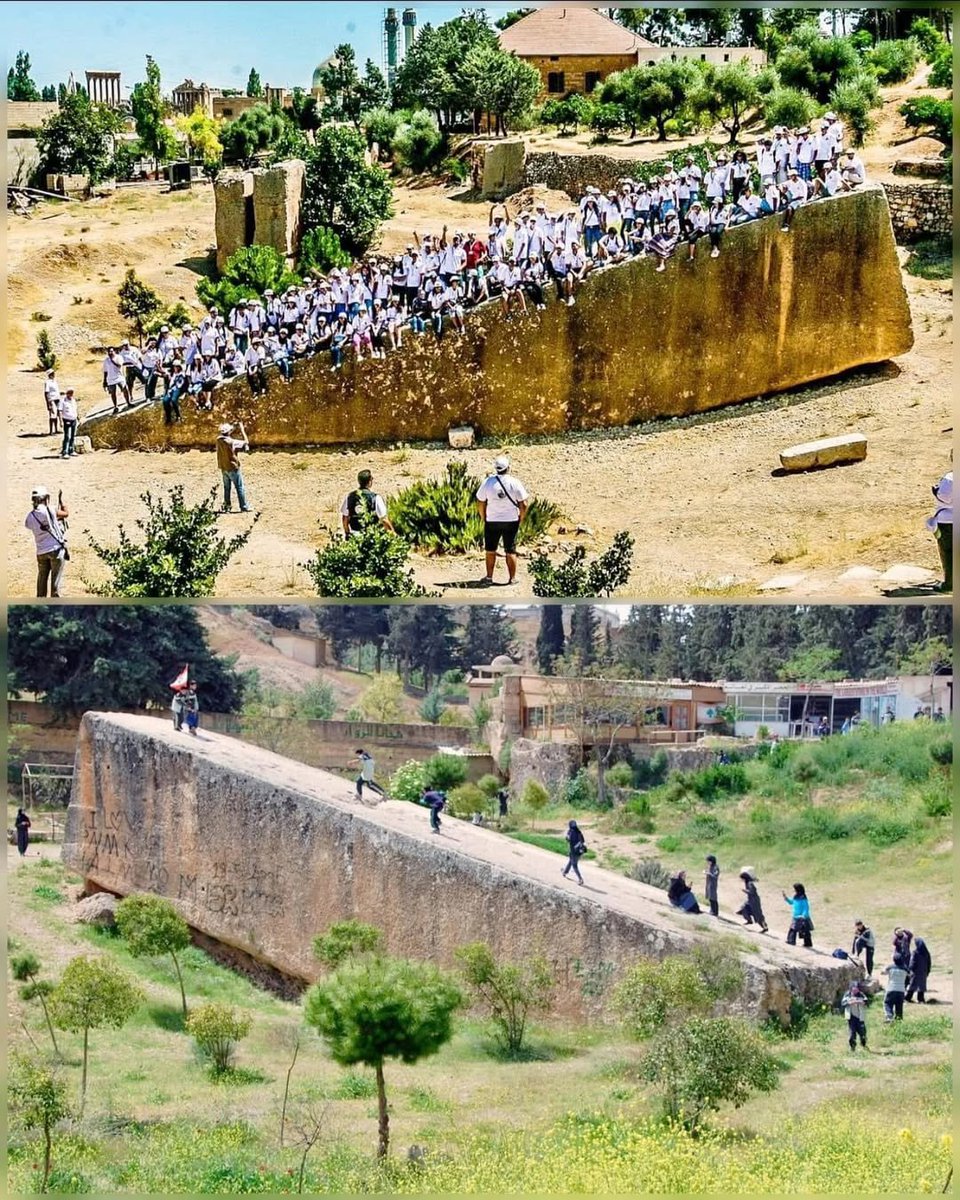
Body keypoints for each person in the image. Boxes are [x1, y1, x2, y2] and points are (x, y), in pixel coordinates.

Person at [476, 456, 529, 587]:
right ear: (508, 468)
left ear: (496, 468)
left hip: (492, 520)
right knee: (510, 550)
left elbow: (480, 501)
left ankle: (489, 577)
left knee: (490, 550)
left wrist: (483, 516)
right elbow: (524, 504)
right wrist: (521, 518)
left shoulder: (488, 482)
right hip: (510, 520)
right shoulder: (514, 482)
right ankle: (512, 578)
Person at [25, 485, 69, 598]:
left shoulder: (30, 517)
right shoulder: (50, 510)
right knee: (55, 586)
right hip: (55, 550)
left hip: (41, 553)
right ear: (46, 498)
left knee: (41, 583)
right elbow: (65, 513)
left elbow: (33, 525)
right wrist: (61, 501)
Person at [341, 469, 395, 535]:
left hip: (354, 535)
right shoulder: (375, 498)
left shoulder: (349, 497)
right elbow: (384, 519)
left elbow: (345, 518)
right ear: (369, 482)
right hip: (371, 535)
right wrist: (393, 533)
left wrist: (347, 533)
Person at [216, 422, 251, 514]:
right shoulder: (232, 442)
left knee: (227, 488)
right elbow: (246, 442)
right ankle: (244, 506)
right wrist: (242, 430)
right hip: (233, 467)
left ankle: (227, 507)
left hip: (224, 467)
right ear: (229, 432)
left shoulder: (218, 440)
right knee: (239, 487)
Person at [927, 468, 952, 592]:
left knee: (948, 553)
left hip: (947, 521)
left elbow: (945, 497)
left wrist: (936, 491)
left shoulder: (950, 478)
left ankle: (950, 584)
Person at [841, 980, 868, 1052]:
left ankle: (863, 1043)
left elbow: (866, 1001)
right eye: (854, 989)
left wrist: (860, 1001)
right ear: (851, 988)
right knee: (852, 1034)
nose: (855, 990)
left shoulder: (861, 994)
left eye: (857, 989)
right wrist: (850, 1002)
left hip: (860, 1017)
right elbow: (843, 1003)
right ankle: (852, 1047)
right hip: (851, 1017)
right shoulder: (847, 994)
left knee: (862, 1033)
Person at [783, 882, 813, 948]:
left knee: (798, 930)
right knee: (796, 929)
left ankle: (793, 941)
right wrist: (786, 898)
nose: (794, 890)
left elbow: (806, 907)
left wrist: (803, 915)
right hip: (796, 916)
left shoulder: (803, 898)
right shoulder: (795, 897)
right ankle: (793, 941)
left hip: (802, 917)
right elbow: (791, 902)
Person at [905, 937, 931, 1003]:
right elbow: (929, 963)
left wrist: (910, 969)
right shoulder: (926, 953)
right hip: (923, 972)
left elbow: (912, 962)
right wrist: (927, 971)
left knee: (912, 985)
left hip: (915, 972)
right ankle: (921, 999)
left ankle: (908, 998)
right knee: (921, 986)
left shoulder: (915, 952)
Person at [562, 819, 586, 885]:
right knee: (571, 861)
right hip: (579, 852)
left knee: (574, 865)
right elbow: (583, 841)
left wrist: (567, 838)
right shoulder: (579, 832)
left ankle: (580, 879)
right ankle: (565, 872)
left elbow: (568, 839)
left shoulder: (570, 832)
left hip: (573, 851)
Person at [58, 388, 79, 459]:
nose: (71, 394)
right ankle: (65, 451)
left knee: (73, 436)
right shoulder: (63, 401)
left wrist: (77, 418)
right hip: (67, 420)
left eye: (72, 393)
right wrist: (61, 421)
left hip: (74, 419)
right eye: (69, 393)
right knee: (67, 436)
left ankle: (71, 450)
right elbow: (60, 411)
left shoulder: (73, 400)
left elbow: (75, 409)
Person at [43, 369, 61, 435]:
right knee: (52, 415)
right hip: (52, 400)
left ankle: (56, 429)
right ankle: (51, 431)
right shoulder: (47, 382)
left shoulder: (55, 382)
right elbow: (46, 393)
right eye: (52, 373)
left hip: (57, 399)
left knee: (56, 415)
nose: (54, 375)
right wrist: (48, 402)